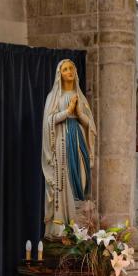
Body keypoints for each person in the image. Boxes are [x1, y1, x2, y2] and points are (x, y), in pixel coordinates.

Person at [41, 59, 97, 239]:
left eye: (71, 68)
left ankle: (79, 223)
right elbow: (48, 122)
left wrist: (79, 113)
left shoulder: (80, 96)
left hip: (78, 138)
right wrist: (67, 111)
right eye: (65, 69)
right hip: (62, 143)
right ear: (60, 74)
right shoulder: (54, 97)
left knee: (81, 177)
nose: (69, 71)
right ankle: (63, 226)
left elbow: (91, 125)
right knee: (64, 181)